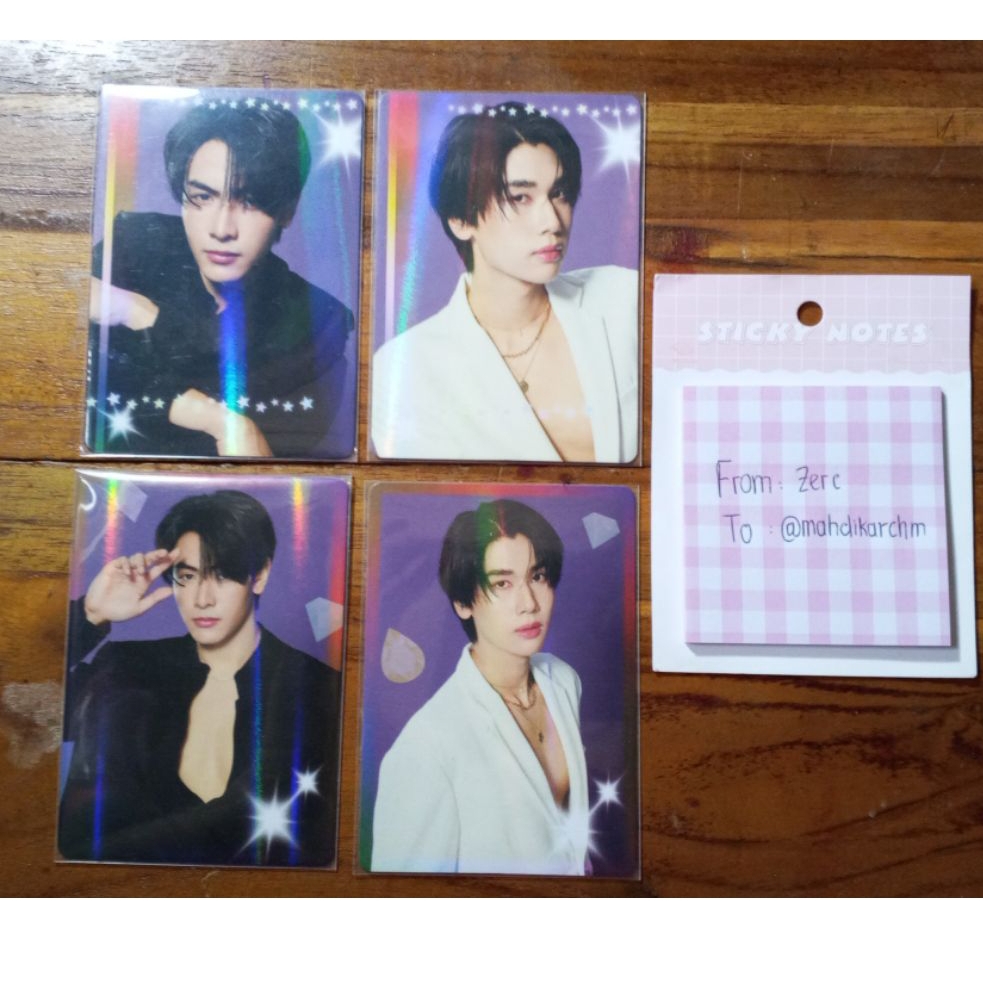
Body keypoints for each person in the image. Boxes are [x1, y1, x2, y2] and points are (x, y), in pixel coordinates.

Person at [57, 490, 340, 867]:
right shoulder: (127, 666)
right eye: (187, 577)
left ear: (259, 575)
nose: (202, 599)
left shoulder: (313, 685)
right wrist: (91, 616)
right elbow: (27, 716)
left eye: (221, 575)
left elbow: (265, 823)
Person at [371, 101, 638, 463]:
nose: (552, 221)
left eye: (558, 193)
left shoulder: (624, 298)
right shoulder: (404, 370)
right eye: (520, 197)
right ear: (461, 220)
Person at [86, 99, 355, 458]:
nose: (221, 229)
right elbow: (82, 386)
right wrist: (216, 418)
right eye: (202, 196)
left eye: (249, 201)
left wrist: (143, 317)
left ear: (287, 211)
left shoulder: (318, 320)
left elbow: (265, 458)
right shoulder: (135, 245)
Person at [371, 499, 590, 875]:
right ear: (462, 602)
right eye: (502, 583)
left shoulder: (564, 681)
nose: (529, 603)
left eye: (537, 576)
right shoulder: (426, 746)